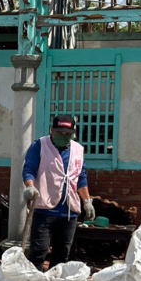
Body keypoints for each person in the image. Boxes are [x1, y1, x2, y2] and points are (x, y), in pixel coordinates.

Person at [22, 114, 95, 272]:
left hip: (68, 213)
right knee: (39, 251)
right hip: (44, 209)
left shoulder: (78, 150)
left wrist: (87, 202)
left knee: (62, 255)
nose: (64, 137)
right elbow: (29, 168)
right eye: (60, 133)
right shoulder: (40, 146)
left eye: (68, 134)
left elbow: (80, 178)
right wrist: (29, 186)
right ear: (52, 130)